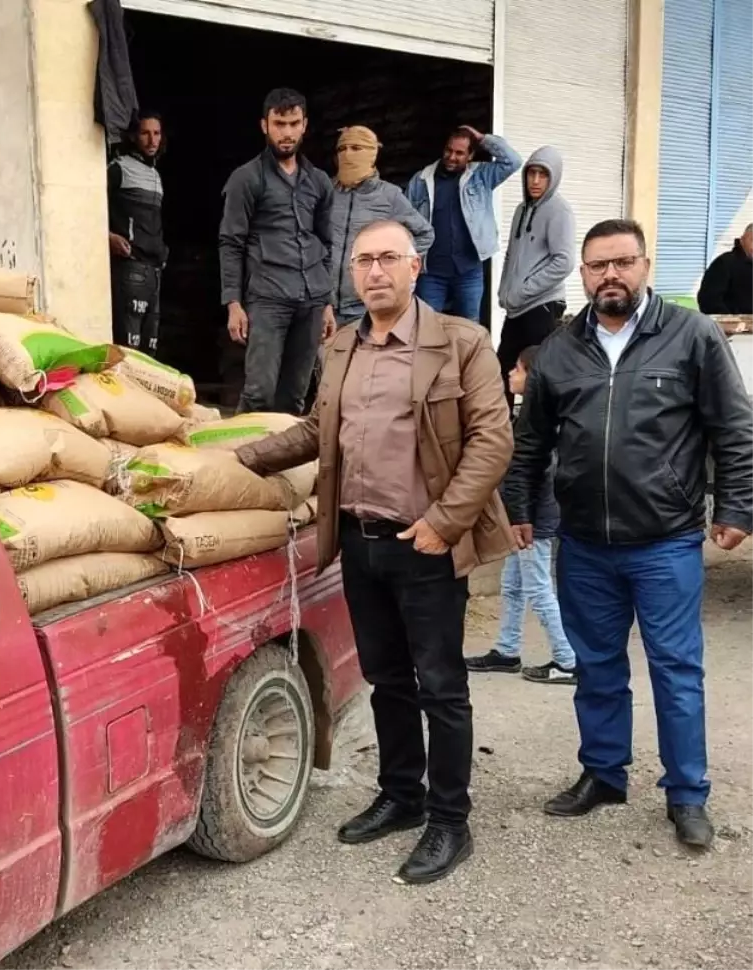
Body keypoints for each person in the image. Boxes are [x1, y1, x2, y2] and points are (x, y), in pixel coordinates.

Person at [235, 219, 513, 884]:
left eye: (388, 258)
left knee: (441, 687)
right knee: (386, 681)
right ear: (351, 272)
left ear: (415, 267)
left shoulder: (461, 342)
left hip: (425, 543)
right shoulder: (340, 348)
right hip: (359, 543)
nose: (375, 271)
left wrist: (445, 523)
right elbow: (314, 430)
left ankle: (450, 820)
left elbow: (493, 440)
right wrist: (237, 457)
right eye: (363, 261)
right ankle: (402, 794)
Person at [503, 218, 753, 850]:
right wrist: (519, 507)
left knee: (676, 670)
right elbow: (530, 442)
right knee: (597, 667)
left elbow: (734, 428)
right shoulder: (560, 349)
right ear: (582, 274)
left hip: (664, 541)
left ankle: (688, 794)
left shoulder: (691, 336)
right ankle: (603, 774)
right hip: (583, 543)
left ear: (645, 265)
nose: (609, 275)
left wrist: (738, 508)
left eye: (622, 262)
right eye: (597, 265)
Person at [219, 88, 336, 415]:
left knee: (295, 397)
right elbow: (231, 241)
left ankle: (283, 467)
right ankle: (240, 462)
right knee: (259, 393)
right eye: (279, 123)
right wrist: (233, 303)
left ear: (305, 125)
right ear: (264, 126)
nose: (286, 132)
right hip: (268, 297)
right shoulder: (247, 178)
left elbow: (326, 244)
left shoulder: (320, 182)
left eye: (293, 123)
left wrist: (327, 303)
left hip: (311, 300)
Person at [466, 345, 577, 684]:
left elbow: (533, 474)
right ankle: (507, 649)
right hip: (522, 517)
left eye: (518, 368)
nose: (511, 374)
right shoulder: (526, 414)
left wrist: (521, 516)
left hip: (532, 521)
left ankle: (568, 660)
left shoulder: (543, 422)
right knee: (512, 584)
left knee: (539, 589)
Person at [406, 126, 522, 323]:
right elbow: (405, 221)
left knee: (469, 329)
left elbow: (513, 161)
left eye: (459, 153)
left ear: (471, 155)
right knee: (426, 328)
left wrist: (482, 138)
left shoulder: (481, 176)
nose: (452, 157)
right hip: (431, 272)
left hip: (469, 271)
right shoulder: (421, 180)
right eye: (448, 150)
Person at [496, 146, 576, 410]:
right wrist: (505, 290)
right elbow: (511, 254)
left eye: (543, 174)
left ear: (554, 178)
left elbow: (564, 261)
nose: (536, 181)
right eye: (532, 173)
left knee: (536, 375)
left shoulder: (559, 211)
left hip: (542, 306)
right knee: (503, 372)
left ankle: (537, 438)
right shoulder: (521, 210)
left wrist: (524, 290)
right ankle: (500, 431)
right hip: (517, 309)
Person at [330, 126, 434, 327]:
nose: (347, 154)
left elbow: (424, 234)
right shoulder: (327, 191)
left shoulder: (389, 195)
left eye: (356, 148)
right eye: (342, 149)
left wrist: (392, 264)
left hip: (365, 305)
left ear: (371, 154)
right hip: (325, 307)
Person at [108, 112, 169, 355]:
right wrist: (108, 236)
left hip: (154, 270)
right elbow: (90, 205)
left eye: (156, 133)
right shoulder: (118, 168)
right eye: (145, 133)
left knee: (149, 346)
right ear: (133, 136)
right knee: (128, 347)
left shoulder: (155, 175)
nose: (152, 140)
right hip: (130, 266)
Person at [697, 223, 753, 315]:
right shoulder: (724, 263)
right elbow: (708, 301)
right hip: (733, 326)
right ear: (742, 240)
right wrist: (731, 321)